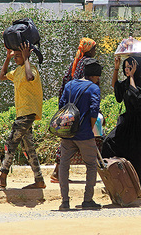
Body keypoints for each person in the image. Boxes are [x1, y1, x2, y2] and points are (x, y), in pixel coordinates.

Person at [0, 42, 45, 189]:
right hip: (21, 113)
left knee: (11, 142)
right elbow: (2, 76)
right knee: (28, 147)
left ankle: (2, 177)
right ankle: (39, 180)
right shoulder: (17, 71)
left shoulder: (31, 69)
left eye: (18, 56)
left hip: (28, 112)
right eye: (15, 56)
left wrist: (26, 59)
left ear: (25, 56)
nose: (16, 58)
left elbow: (29, 77)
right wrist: (7, 58)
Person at [57, 59, 102, 211]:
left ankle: (64, 201)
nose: (98, 79)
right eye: (98, 76)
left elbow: (61, 105)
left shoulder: (70, 85)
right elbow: (94, 111)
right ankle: (87, 200)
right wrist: (88, 129)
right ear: (95, 76)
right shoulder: (94, 88)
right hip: (84, 135)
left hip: (67, 133)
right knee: (91, 165)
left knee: (64, 165)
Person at [51, 37, 97, 182]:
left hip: (70, 105)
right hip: (80, 106)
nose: (96, 50)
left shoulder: (76, 62)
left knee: (68, 138)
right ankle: (59, 173)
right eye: (94, 48)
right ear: (88, 49)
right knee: (80, 138)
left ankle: (58, 172)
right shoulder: (86, 63)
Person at [102, 56, 141, 189]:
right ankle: (119, 178)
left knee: (137, 153)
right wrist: (116, 68)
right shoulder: (126, 82)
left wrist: (132, 77)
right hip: (127, 121)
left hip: (139, 123)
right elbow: (115, 87)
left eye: (130, 67)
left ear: (137, 68)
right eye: (126, 67)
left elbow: (138, 100)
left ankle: (138, 185)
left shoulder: (139, 82)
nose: (127, 69)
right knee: (109, 142)